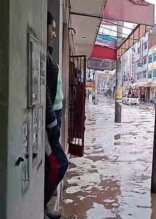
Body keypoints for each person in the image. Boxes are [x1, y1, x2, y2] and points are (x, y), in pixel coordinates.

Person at [44, 12, 69, 219]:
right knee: (60, 161)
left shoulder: (48, 53)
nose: (54, 34)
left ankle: (44, 204)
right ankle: (44, 202)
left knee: (52, 159)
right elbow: (45, 91)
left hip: (56, 115)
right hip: (51, 117)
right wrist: (52, 121)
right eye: (52, 29)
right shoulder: (44, 58)